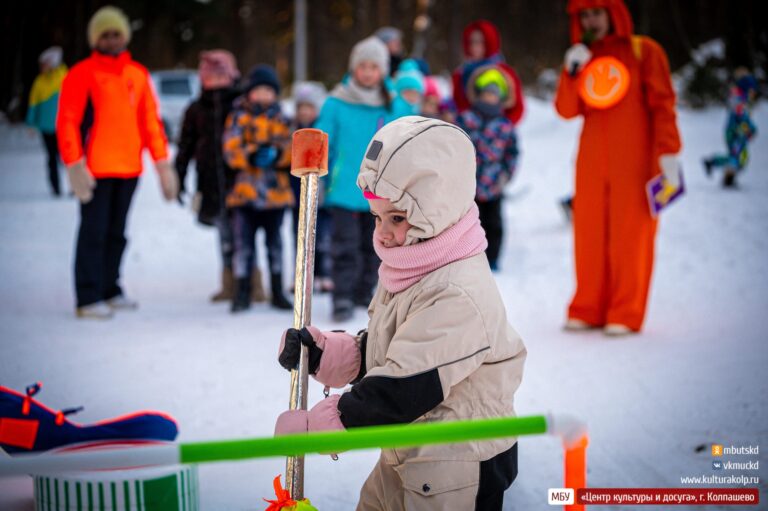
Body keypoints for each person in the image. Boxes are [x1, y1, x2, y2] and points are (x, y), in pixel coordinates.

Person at [275, 117, 527, 510]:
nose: (383, 232)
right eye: (378, 217)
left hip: (455, 464)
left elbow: (403, 387)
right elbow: (395, 346)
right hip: (410, 447)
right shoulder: (415, 260)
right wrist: (329, 355)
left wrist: (317, 428)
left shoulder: (456, 291)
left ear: (437, 211)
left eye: (397, 217)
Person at [554, 0, 682, 336]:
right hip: (592, 158)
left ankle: (625, 311)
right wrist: (571, 74)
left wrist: (669, 151)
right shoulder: (584, 56)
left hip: (636, 158)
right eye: (584, 15)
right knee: (589, 233)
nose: (591, 20)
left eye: (596, 12)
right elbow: (567, 110)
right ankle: (588, 306)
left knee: (631, 233)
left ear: (615, 13)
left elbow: (663, 105)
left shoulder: (645, 52)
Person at [57, 6, 178, 319]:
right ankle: (88, 295)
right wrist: (74, 163)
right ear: (96, 38)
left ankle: (110, 288)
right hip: (94, 171)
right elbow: (68, 120)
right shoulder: (81, 73)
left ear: (124, 36)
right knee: (93, 232)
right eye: (105, 35)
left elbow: (151, 122)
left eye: (116, 34)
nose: (111, 40)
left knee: (117, 233)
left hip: (128, 169)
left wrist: (162, 164)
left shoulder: (136, 74)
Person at [314, 36, 396, 322]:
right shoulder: (336, 102)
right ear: (354, 68)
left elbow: (407, 138)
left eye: (374, 66)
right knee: (344, 247)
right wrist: (318, 175)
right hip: (345, 190)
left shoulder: (392, 104)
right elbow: (322, 139)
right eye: (363, 66)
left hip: (381, 193)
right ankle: (342, 298)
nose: (368, 72)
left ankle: (365, 290)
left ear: (382, 71)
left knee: (374, 245)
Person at [174, 50, 259, 303]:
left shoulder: (242, 105)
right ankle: (229, 282)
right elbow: (185, 146)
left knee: (245, 234)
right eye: (211, 76)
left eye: (222, 75)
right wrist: (178, 175)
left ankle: (253, 283)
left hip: (242, 181)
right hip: (211, 182)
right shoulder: (196, 109)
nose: (216, 81)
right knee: (224, 235)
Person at [223, 64, 294, 312]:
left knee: (275, 245)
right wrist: (250, 156)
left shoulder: (283, 118)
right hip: (245, 195)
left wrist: (278, 156)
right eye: (258, 90)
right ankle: (242, 291)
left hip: (275, 195)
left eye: (269, 90)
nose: (263, 95)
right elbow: (230, 150)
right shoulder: (238, 117)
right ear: (249, 92)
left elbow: (293, 148)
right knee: (243, 246)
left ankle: (277, 291)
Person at [457, 67, 519, 271]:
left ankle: (492, 258)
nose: (489, 98)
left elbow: (512, 152)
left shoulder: (504, 125)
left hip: (493, 184)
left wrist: (505, 175)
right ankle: (467, 255)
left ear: (501, 98)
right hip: (468, 183)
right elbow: (453, 145)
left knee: (494, 224)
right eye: (485, 94)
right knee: (467, 222)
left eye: (493, 95)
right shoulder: (466, 119)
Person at [288, 81, 333, 293]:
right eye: (301, 107)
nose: (305, 112)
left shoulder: (324, 131)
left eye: (310, 107)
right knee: (298, 236)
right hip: (296, 195)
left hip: (321, 194)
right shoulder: (292, 131)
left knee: (321, 236)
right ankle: (300, 275)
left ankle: (324, 272)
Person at [451, 20, 525, 126]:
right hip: (468, 131)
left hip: (497, 133)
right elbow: (457, 104)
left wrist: (501, 128)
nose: (474, 46)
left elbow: (516, 108)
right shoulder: (461, 73)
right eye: (471, 42)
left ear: (489, 41)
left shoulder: (504, 72)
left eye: (479, 42)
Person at [703, 68, 759, 188]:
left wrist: (749, 129)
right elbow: (741, 119)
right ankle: (727, 177)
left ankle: (714, 164)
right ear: (747, 89)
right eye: (752, 90)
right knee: (737, 157)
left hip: (738, 134)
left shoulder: (741, 99)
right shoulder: (739, 101)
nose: (754, 93)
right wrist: (750, 129)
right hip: (735, 134)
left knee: (739, 157)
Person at [26, 46, 67, 197]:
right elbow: (33, 103)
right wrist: (31, 123)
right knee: (51, 159)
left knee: (67, 158)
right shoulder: (39, 82)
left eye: (45, 63)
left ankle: (75, 186)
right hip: (46, 128)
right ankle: (56, 188)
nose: (42, 67)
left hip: (63, 126)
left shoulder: (65, 76)